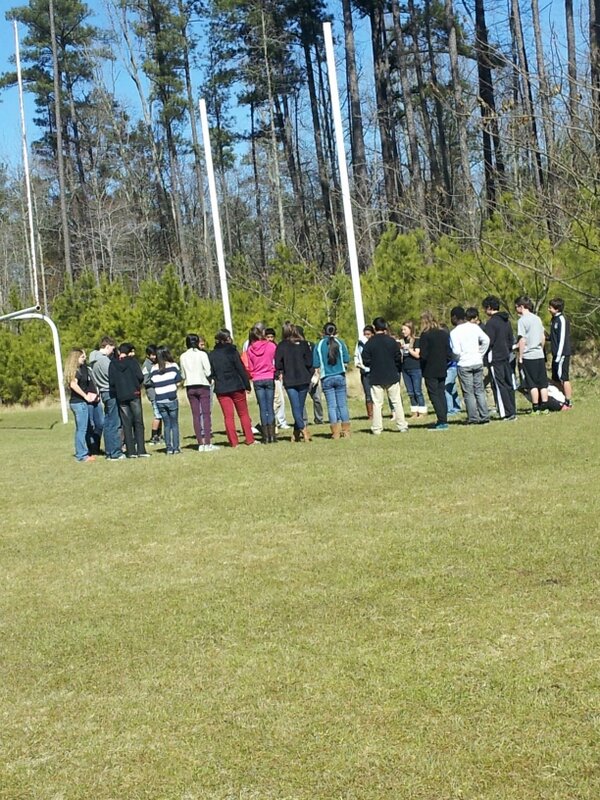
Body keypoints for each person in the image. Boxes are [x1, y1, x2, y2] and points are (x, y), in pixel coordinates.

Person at [360, 317, 408, 435]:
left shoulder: (370, 343)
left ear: (375, 328)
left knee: (377, 403)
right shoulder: (391, 341)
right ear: (385, 327)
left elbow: (365, 360)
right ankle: (402, 425)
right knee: (396, 401)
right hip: (391, 374)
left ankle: (377, 428)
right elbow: (398, 357)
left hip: (376, 376)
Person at [208, 329, 256, 447]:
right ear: (227, 339)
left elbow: (211, 372)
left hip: (222, 388)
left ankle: (234, 442)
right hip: (236, 386)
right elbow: (241, 369)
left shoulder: (212, 355)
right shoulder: (232, 352)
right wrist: (247, 385)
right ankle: (249, 439)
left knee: (228, 416)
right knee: (243, 413)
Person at [449, 306, 490, 425]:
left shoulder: (454, 332)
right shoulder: (474, 327)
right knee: (479, 390)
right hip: (477, 361)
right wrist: (480, 353)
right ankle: (484, 415)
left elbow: (456, 351)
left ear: (455, 317)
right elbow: (486, 340)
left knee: (468, 392)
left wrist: (457, 358)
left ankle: (473, 417)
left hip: (464, 363)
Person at [275, 322, 313, 442]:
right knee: (299, 407)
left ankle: (302, 430)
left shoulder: (281, 346)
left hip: (290, 379)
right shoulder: (303, 344)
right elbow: (309, 362)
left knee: (296, 407)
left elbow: (278, 364)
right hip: (303, 378)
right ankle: (299, 431)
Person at [109, 342, 149, 458]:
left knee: (126, 424)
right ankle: (141, 450)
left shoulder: (113, 364)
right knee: (138, 422)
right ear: (129, 352)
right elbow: (140, 377)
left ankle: (130, 451)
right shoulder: (132, 362)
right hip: (134, 394)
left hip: (121, 396)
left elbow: (111, 382)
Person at [312, 322, 351, 438]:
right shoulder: (340, 343)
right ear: (336, 331)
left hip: (326, 377)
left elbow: (316, 363)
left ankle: (335, 432)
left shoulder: (319, 345)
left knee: (331, 406)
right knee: (343, 405)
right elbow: (346, 359)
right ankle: (346, 430)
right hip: (340, 376)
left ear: (323, 332)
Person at [180, 333, 217, 451]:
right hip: (202, 384)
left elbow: (182, 374)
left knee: (195, 415)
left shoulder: (183, 356)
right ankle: (207, 442)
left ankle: (200, 443)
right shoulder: (202, 354)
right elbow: (208, 371)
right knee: (205, 414)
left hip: (190, 386)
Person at [482, 296, 517, 421]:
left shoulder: (491, 323)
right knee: (508, 384)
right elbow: (509, 339)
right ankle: (512, 409)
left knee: (499, 384)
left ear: (489, 308)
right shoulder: (506, 321)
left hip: (495, 357)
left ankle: (506, 413)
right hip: (506, 356)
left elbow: (488, 342)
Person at [89, 336, 124, 460]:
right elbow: (113, 377)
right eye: (112, 349)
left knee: (108, 423)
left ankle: (110, 451)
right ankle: (115, 452)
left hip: (103, 392)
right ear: (107, 346)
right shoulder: (104, 361)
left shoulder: (93, 360)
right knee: (114, 422)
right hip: (110, 391)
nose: (112, 352)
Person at [515, 295, 549, 414]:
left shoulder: (522, 321)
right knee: (543, 382)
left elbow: (522, 340)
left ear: (522, 306)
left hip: (529, 355)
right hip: (539, 354)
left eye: (516, 307)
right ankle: (545, 405)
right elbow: (543, 337)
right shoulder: (537, 319)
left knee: (532, 383)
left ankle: (535, 406)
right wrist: (540, 348)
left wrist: (520, 356)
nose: (516, 309)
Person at [64, 348, 98, 462]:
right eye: (82, 357)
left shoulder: (76, 370)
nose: (85, 359)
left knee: (82, 429)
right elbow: (74, 385)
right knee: (81, 430)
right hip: (79, 403)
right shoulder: (76, 372)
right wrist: (85, 396)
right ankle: (82, 455)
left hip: (76, 403)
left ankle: (84, 452)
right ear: (76, 358)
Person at [419, 311, 451, 431]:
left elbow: (424, 354)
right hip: (442, 368)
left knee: (434, 395)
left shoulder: (425, 335)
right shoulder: (443, 334)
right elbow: (449, 353)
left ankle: (442, 420)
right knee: (441, 393)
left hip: (430, 369)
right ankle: (444, 418)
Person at [246, 323, 278, 443]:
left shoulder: (250, 350)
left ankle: (265, 436)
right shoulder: (271, 346)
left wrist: (254, 374)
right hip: (269, 376)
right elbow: (275, 360)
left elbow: (250, 367)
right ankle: (272, 435)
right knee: (270, 407)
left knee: (262, 407)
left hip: (257, 379)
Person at [149, 346, 182, 455]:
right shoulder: (173, 366)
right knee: (174, 424)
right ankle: (176, 447)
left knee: (167, 424)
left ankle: (168, 448)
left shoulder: (153, 368)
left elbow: (152, 383)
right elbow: (178, 380)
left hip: (160, 399)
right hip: (171, 397)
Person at [548, 297, 573, 408]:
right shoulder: (553, 320)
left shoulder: (562, 320)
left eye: (550, 307)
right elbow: (554, 337)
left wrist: (559, 355)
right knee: (555, 379)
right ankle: (561, 398)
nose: (548, 309)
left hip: (562, 354)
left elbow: (562, 339)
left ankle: (568, 400)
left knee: (564, 378)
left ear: (557, 309)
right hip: (555, 354)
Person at [399, 321, 427, 418]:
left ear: (411, 330)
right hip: (405, 368)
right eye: (402, 329)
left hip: (415, 368)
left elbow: (417, 355)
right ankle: (414, 411)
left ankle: (422, 410)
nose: (403, 331)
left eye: (405, 329)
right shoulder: (401, 341)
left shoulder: (416, 341)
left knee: (417, 391)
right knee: (410, 392)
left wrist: (408, 349)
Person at [266, 327, 290, 431]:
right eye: (268, 337)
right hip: (268, 376)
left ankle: (281, 420)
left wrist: (280, 372)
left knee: (280, 400)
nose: (270, 339)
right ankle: (271, 420)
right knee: (274, 401)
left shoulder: (276, 346)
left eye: (272, 337)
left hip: (276, 376)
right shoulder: (266, 347)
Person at [142, 345, 163, 445]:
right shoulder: (146, 365)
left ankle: (159, 435)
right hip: (153, 393)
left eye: (155, 355)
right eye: (152, 355)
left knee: (161, 415)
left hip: (159, 392)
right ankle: (154, 436)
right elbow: (145, 381)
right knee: (157, 415)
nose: (154, 357)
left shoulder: (156, 363)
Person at [354, 325, 375, 419]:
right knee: (368, 394)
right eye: (365, 334)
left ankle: (377, 412)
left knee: (376, 393)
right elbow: (356, 355)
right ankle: (370, 414)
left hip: (374, 371)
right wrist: (358, 364)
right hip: (364, 372)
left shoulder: (375, 343)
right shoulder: (360, 343)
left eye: (368, 334)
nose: (366, 336)